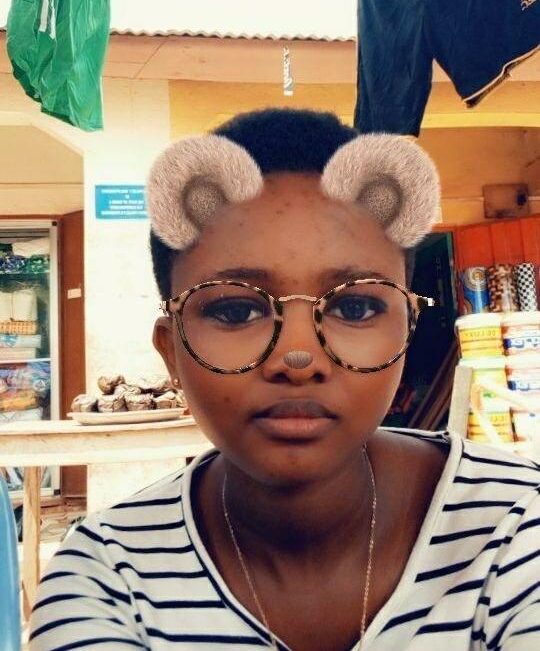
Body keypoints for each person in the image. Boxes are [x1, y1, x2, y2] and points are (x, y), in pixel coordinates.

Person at [30, 109, 539, 650]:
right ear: (171, 352)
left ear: (407, 331)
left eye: (356, 307)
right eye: (235, 311)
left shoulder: (517, 525)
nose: (298, 356)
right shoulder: (105, 579)